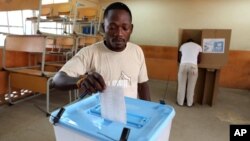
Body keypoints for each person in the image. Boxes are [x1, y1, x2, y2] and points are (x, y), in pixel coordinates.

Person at [52, 2, 151, 101]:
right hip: (100, 113)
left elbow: (142, 85)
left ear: (131, 29)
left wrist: (150, 111)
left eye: (125, 28)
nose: (119, 33)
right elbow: (57, 80)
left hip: (131, 114)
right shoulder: (90, 52)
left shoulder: (137, 51)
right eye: (112, 28)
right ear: (104, 28)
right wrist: (81, 81)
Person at [177, 39, 202, 106]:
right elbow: (199, 61)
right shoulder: (199, 46)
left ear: (187, 42)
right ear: (193, 42)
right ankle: (189, 103)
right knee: (191, 85)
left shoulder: (182, 46)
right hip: (193, 67)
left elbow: (179, 59)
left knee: (181, 85)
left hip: (183, 66)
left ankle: (180, 102)